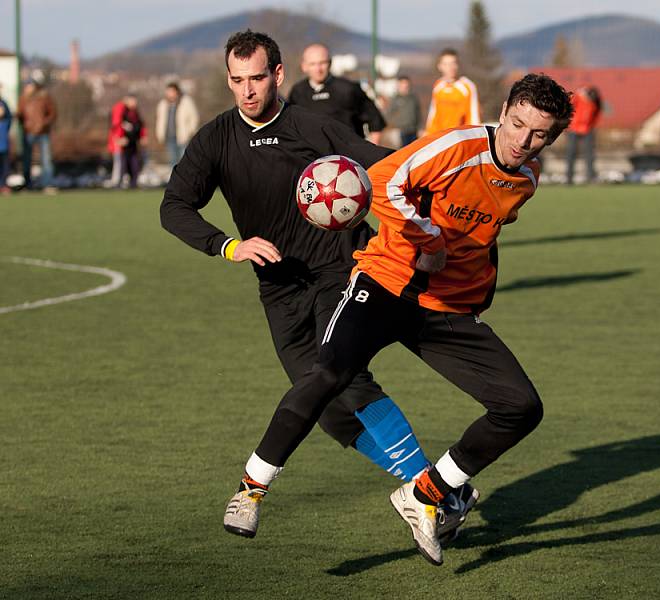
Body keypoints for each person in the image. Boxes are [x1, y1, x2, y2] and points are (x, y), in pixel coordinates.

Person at [228, 73, 574, 566]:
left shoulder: (527, 181)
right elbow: (382, 181)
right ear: (503, 111)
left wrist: (478, 295)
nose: (522, 141)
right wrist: (428, 239)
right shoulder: (456, 145)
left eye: (538, 134)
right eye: (517, 124)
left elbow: (481, 240)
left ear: (552, 137)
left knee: (521, 407)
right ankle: (251, 490)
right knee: (329, 374)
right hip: (385, 284)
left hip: (445, 310)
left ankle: (427, 493)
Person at [160, 30, 475, 542]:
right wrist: (229, 246)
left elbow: (384, 161)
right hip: (278, 286)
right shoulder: (216, 138)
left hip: (341, 269)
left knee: (344, 378)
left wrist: (452, 168)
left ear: (278, 75)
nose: (247, 90)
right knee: (326, 412)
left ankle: (429, 494)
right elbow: (174, 206)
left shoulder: (311, 126)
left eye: (257, 78)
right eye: (237, 80)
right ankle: (441, 491)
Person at [288, 43, 385, 144]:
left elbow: (375, 121)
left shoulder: (348, 89)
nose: (318, 69)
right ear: (304, 66)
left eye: (322, 63)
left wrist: (371, 151)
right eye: (313, 64)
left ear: (330, 63)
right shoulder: (298, 92)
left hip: (347, 154)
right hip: (312, 155)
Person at [425, 48, 480, 135]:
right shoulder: (438, 86)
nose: (450, 67)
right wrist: (428, 134)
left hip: (459, 138)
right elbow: (433, 114)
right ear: (439, 66)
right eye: (446, 64)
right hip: (439, 137)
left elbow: (474, 117)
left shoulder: (468, 86)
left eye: (453, 63)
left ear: (458, 65)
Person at [17, 73, 57, 191]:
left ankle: (47, 183)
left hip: (43, 132)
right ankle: (27, 183)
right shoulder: (24, 98)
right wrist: (25, 125)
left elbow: (53, 113)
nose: (28, 86)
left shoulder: (45, 97)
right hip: (28, 132)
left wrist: (44, 124)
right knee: (27, 159)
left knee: (46, 160)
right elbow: (19, 114)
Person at [155, 82, 199, 167]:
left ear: (177, 91)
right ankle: (175, 180)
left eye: (171, 91)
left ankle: (186, 179)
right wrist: (160, 134)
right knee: (173, 161)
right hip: (169, 137)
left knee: (185, 161)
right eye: (168, 92)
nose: (169, 94)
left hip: (183, 138)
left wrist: (190, 132)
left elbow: (194, 118)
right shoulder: (163, 104)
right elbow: (159, 120)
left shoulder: (186, 101)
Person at [565, 85, 602, 184]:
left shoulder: (596, 100)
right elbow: (569, 107)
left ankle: (590, 178)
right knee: (571, 154)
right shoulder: (578, 97)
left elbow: (597, 114)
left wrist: (592, 126)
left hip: (588, 130)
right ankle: (569, 179)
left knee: (589, 155)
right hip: (574, 129)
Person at [118, 95, 147, 188]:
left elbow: (141, 126)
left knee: (135, 164)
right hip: (125, 143)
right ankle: (122, 182)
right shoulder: (124, 113)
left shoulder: (136, 113)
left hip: (134, 143)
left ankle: (134, 183)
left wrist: (143, 137)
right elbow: (118, 126)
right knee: (124, 164)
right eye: (132, 101)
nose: (134, 103)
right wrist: (120, 138)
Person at [386, 75, 422, 147]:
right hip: (401, 132)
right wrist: (395, 126)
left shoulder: (413, 98)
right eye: (402, 84)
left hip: (413, 131)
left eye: (406, 84)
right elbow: (389, 115)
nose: (405, 86)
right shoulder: (395, 99)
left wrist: (420, 128)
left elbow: (418, 113)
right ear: (398, 85)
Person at [106, 98, 127, 187]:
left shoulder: (120, 110)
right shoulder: (120, 109)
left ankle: (117, 179)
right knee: (118, 161)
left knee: (119, 161)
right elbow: (116, 124)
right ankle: (116, 180)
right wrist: (118, 139)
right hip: (117, 141)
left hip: (117, 140)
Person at [0, 87, 11, 195]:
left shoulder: (3, 104)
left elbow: (9, 119)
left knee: (4, 165)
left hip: (2, 141)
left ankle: (3, 185)